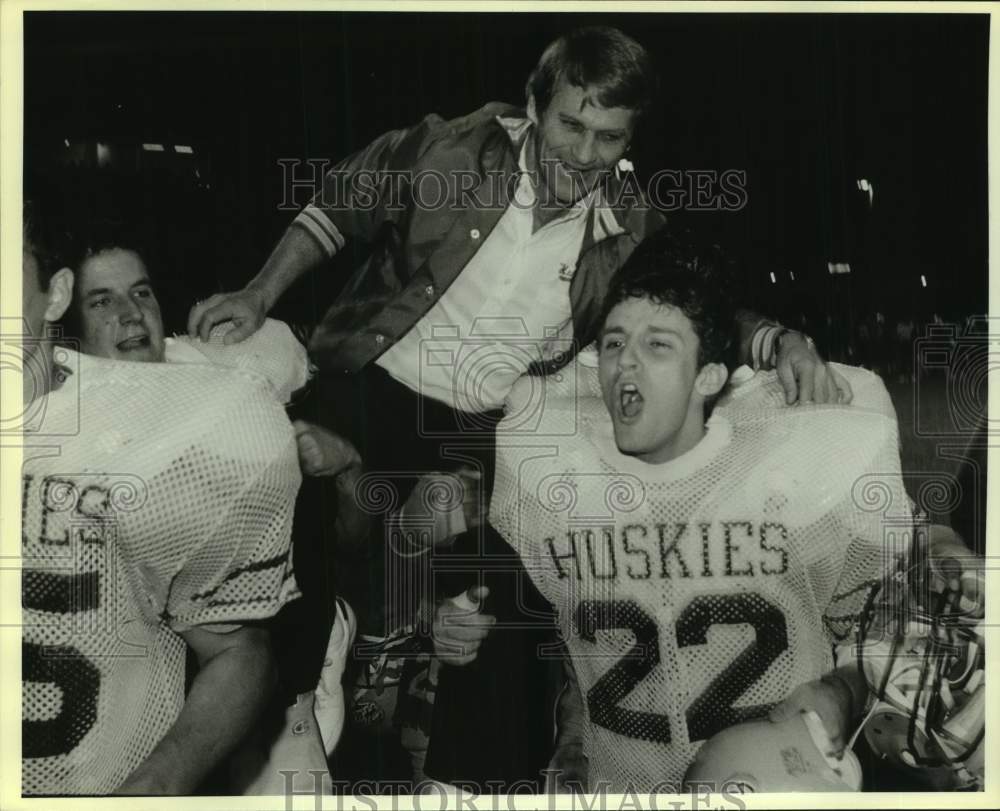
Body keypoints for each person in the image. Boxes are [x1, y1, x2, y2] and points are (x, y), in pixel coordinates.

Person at [186, 26, 851, 784]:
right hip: (369, 376)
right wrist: (258, 292)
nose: (584, 155)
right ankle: (304, 690)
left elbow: (700, 310)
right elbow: (340, 204)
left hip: (478, 430)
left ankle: (468, 784)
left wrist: (784, 341)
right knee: (297, 467)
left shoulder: (628, 224)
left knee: (490, 604)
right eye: (572, 125)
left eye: (610, 137)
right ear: (536, 106)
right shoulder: (448, 149)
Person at [488, 230, 910, 792]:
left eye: (657, 346)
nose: (626, 366)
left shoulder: (802, 454)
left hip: (777, 780)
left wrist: (842, 692)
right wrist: (571, 739)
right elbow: (583, 639)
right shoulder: (556, 463)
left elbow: (884, 631)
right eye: (613, 345)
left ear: (712, 374)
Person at [19, 201, 304, 795]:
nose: (129, 316)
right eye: (106, 302)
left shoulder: (203, 422)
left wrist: (159, 784)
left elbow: (238, 650)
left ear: (54, 295)